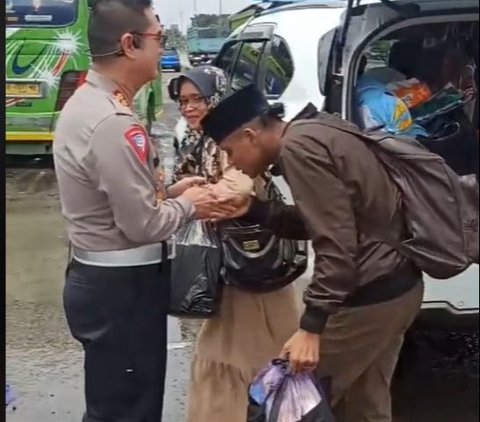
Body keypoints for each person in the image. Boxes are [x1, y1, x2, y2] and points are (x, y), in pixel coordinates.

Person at [52, 1, 233, 421]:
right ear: (129, 44)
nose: (162, 49)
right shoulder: (113, 121)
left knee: (116, 401)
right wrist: (191, 203)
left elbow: (114, 196)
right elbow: (142, 224)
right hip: (122, 288)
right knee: (129, 409)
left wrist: (170, 191)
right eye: (159, 38)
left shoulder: (91, 103)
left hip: (104, 279)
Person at [201, 84, 425, 422]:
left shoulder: (298, 150)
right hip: (397, 287)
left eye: (230, 152)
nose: (233, 163)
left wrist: (311, 327)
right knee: (364, 406)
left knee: (290, 406)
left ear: (250, 135)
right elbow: (325, 220)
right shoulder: (316, 129)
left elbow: (336, 246)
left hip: (368, 299)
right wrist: (252, 210)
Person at [167, 67, 300, 422]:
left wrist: (187, 198)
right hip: (232, 269)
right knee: (255, 356)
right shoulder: (195, 141)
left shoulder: (236, 142)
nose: (189, 108)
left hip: (250, 267)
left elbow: (237, 187)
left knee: (233, 356)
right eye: (183, 101)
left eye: (198, 99)